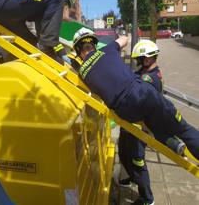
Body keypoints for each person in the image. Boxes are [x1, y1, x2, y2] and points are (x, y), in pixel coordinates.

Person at [72, 28, 199, 163]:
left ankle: (173, 143)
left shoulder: (82, 73)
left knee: (147, 122)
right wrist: (120, 38)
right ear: (94, 45)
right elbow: (124, 40)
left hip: (125, 111)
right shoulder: (107, 50)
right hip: (142, 94)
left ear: (79, 51)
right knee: (183, 129)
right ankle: (177, 139)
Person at [117, 40, 185, 205]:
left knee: (137, 160)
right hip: (130, 127)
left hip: (139, 129)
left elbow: (140, 104)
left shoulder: (149, 79)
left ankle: (147, 198)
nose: (137, 62)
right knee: (123, 153)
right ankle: (132, 177)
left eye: (139, 59)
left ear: (147, 59)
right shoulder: (148, 73)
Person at [0, 0, 78, 64]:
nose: (62, 6)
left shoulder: (44, 3)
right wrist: (49, 48)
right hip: (2, 1)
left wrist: (62, 54)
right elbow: (48, 38)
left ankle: (12, 67)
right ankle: (48, 49)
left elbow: (43, 31)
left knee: (31, 44)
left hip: (5, 12)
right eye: (65, 2)